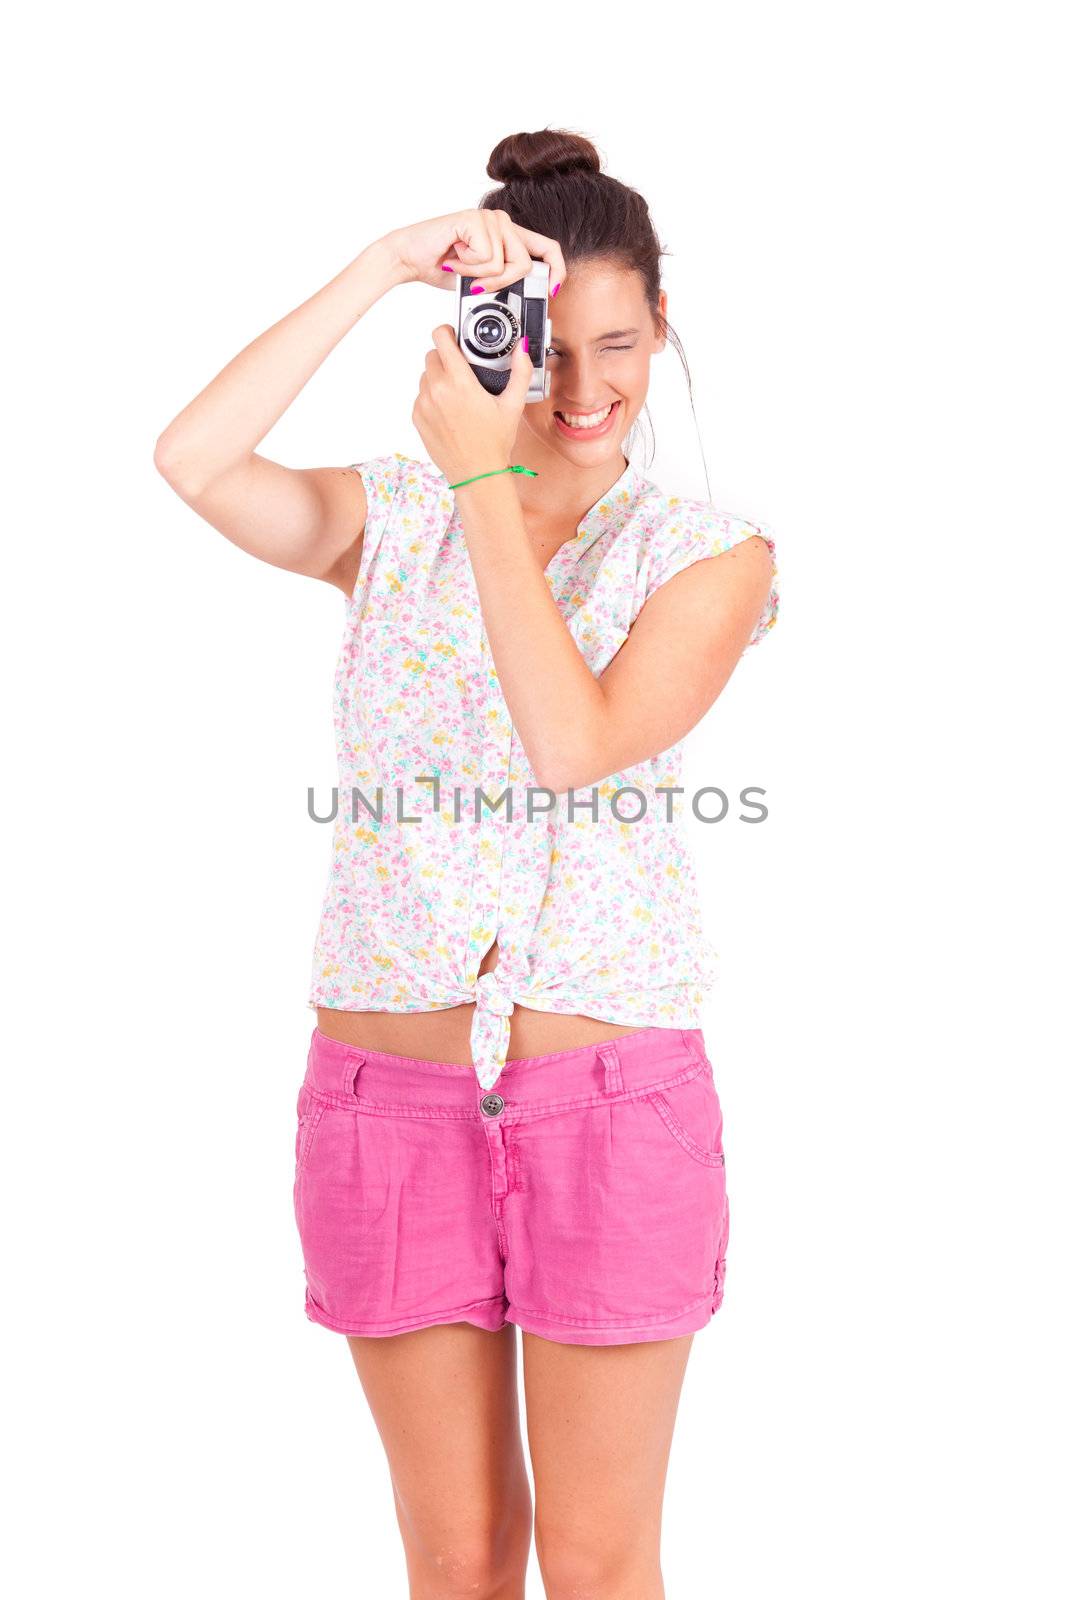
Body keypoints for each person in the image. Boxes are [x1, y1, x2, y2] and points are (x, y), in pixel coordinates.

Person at [155, 127, 780, 1600]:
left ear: (662, 328)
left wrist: (488, 481)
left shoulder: (708, 553)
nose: (581, 389)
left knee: (597, 1559)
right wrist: (381, 263)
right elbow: (192, 460)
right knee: (457, 1559)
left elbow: (574, 740)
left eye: (617, 343)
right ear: (477, 335)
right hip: (389, 1100)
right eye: (541, 347)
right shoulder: (394, 515)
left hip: (606, 1106)